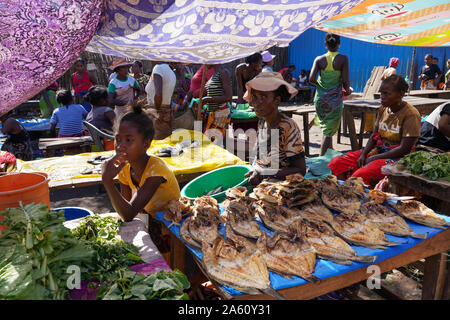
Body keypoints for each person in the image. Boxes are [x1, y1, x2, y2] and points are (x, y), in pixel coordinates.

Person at [101, 103, 180, 240]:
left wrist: (107, 181)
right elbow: (124, 209)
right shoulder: (125, 169)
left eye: (129, 140)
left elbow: (129, 213)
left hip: (171, 228)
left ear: (146, 144)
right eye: (118, 140)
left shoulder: (156, 170)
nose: (120, 146)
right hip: (147, 223)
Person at [328, 75, 421, 187]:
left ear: (401, 94)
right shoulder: (383, 108)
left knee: (360, 176)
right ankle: (344, 192)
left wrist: (374, 158)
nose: (382, 97)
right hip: (379, 151)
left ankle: (359, 196)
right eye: (381, 93)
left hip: (399, 158)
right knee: (336, 163)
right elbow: (374, 135)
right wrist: (363, 154)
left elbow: (404, 149)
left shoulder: (411, 114)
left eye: (386, 94)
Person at [241, 72, 306, 186]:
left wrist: (264, 174)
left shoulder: (287, 126)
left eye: (263, 97)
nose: (257, 103)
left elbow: (300, 170)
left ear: (276, 100)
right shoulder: (263, 122)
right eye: (255, 97)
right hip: (264, 184)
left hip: (284, 187)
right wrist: (257, 171)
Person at [309, 33, 352, 156]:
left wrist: (321, 88)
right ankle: (321, 162)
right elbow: (345, 81)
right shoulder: (343, 59)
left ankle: (330, 156)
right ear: (339, 44)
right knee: (328, 132)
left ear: (325, 44)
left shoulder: (319, 59)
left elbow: (311, 79)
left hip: (320, 100)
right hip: (334, 101)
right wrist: (348, 91)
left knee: (327, 129)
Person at [145, 61, 176, 140]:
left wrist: (156, 111)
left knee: (156, 147)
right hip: (167, 113)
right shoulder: (171, 72)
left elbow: (158, 94)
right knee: (164, 146)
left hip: (157, 114)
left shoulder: (158, 68)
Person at [201, 64, 233, 138]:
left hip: (221, 113)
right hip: (213, 114)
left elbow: (228, 97)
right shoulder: (215, 73)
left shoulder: (223, 73)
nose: (204, 63)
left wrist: (207, 99)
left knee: (210, 141)